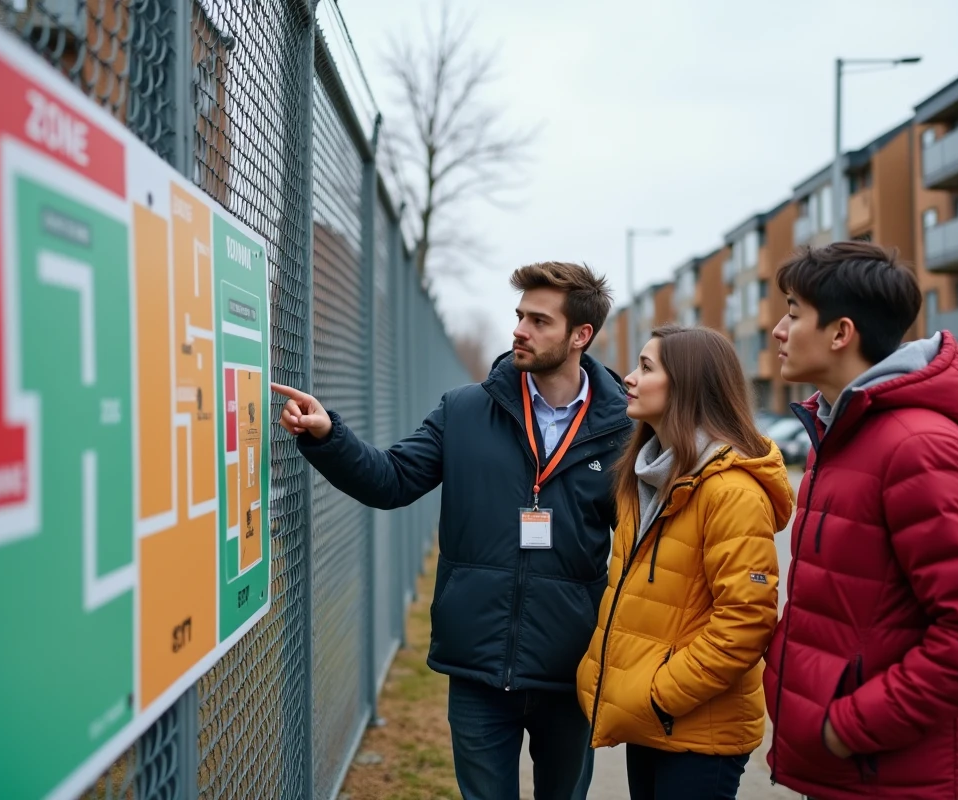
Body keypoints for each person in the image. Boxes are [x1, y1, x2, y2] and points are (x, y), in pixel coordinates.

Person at [271, 262, 633, 800]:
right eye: (520, 316)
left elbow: (644, 544)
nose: (519, 330)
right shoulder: (465, 411)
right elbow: (392, 480)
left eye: (539, 321)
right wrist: (328, 436)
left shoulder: (623, 430)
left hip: (571, 666)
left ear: (581, 335)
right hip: (477, 663)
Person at [764, 242, 958, 800]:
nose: (779, 331)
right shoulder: (843, 433)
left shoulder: (917, 446)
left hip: (889, 775)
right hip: (848, 772)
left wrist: (847, 728)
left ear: (841, 333)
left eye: (793, 313)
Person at [577, 324, 794, 799]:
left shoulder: (731, 491)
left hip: (696, 729)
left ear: (687, 386)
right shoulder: (647, 477)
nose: (629, 378)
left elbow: (746, 622)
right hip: (653, 721)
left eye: (646, 367)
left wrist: (659, 695)